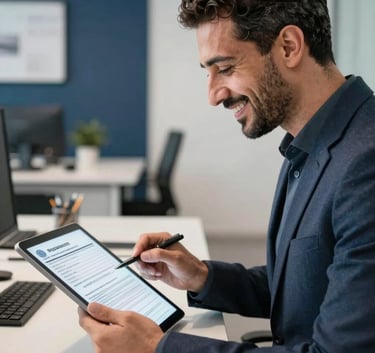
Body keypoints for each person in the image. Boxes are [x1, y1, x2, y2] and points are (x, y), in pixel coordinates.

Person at [78, 1, 375, 352]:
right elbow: (306, 288)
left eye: (226, 68)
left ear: (289, 47)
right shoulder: (312, 144)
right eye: (208, 72)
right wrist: (203, 276)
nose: (213, 95)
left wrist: (158, 348)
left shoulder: (364, 163)